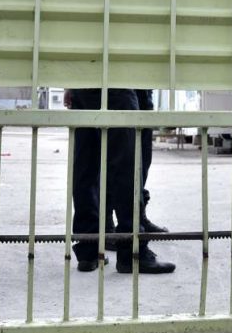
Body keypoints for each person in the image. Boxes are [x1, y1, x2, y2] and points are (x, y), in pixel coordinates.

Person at [68, 87, 174, 274]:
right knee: (126, 168)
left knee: (87, 165)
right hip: (118, 83)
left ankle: (88, 250)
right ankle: (132, 251)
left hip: (83, 82)